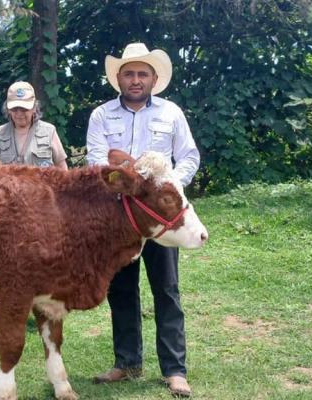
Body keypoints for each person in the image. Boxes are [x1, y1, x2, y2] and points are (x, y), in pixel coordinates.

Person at [86, 43, 200, 397]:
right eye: (129, 74)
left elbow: (189, 156)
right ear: (118, 78)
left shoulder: (171, 113)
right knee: (121, 290)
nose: (135, 80)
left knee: (166, 288)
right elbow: (96, 161)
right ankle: (127, 362)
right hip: (119, 218)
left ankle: (174, 370)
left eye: (142, 74)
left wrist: (166, 186)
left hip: (161, 218)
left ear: (154, 79)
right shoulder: (101, 116)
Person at [0, 81, 68, 169]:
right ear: (8, 109)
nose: (19, 113)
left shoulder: (49, 131)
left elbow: (62, 169)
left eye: (24, 109)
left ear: (34, 108)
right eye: (14, 109)